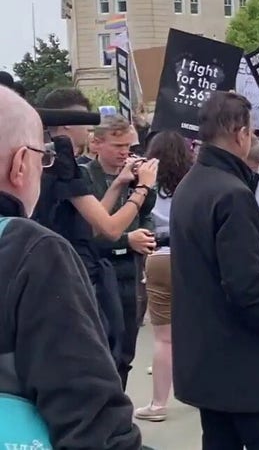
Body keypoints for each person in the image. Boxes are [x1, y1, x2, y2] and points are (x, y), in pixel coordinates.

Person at [0, 85, 142, 448]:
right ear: (20, 165)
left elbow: (94, 216)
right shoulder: (31, 252)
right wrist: (142, 192)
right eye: (39, 159)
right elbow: (91, 420)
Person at [170, 92, 259, 448]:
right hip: (248, 368)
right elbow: (246, 287)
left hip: (213, 364)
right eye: (252, 131)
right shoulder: (232, 192)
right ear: (238, 132)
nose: (255, 139)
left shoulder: (193, 184)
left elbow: (220, 248)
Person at [30, 88, 159, 376]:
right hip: (77, 273)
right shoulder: (62, 163)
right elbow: (110, 228)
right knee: (101, 357)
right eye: (86, 127)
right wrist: (143, 187)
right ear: (65, 125)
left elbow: (91, 218)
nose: (89, 133)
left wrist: (118, 185)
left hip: (55, 266)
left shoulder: (40, 156)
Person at [85, 114, 158, 388]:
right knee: (103, 347)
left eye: (129, 146)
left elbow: (147, 213)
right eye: (117, 146)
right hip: (100, 270)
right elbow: (88, 233)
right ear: (97, 144)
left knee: (127, 348)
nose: (125, 152)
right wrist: (127, 239)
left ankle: (120, 405)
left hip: (132, 271)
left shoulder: (137, 177)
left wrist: (147, 234)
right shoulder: (84, 177)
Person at [134, 131, 194, 422]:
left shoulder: (145, 183)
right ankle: (201, 390)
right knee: (199, 328)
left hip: (157, 255)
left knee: (163, 338)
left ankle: (158, 403)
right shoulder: (194, 182)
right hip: (190, 256)